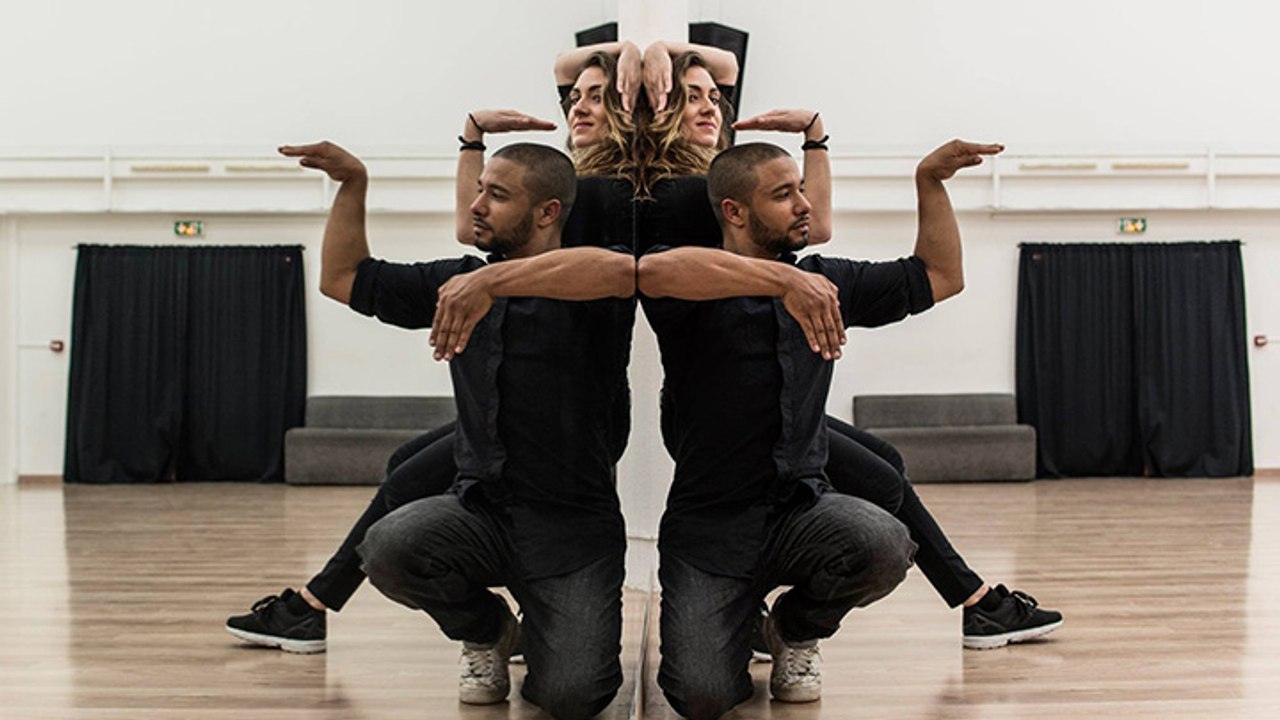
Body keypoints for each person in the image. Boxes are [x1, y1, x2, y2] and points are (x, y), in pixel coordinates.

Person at [636, 139, 1004, 717]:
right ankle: (733, 618)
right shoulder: (691, 289)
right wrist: (781, 282)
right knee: (701, 695)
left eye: (801, 190)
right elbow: (651, 272)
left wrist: (929, 182)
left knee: (884, 542)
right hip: (710, 528)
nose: (804, 204)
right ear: (733, 212)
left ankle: (795, 628)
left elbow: (941, 275)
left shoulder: (826, 281)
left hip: (799, 512)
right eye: (784, 195)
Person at [286, 139, 634, 718]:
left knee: (574, 697)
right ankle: (488, 631)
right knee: (389, 546)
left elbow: (622, 271)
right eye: (480, 191)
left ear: (549, 212)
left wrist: (494, 283)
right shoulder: (457, 282)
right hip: (482, 514)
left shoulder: (594, 290)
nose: (476, 205)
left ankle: (547, 626)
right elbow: (343, 277)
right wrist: (353, 184)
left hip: (573, 532)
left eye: (496, 195)